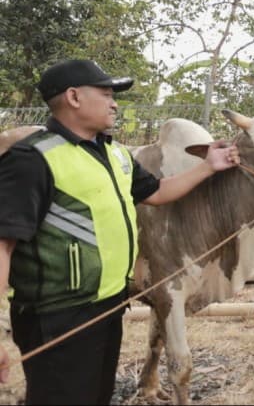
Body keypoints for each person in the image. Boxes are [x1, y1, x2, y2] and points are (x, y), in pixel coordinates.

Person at [0, 59, 240, 405]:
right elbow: (4, 244)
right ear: (73, 97)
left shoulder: (114, 154)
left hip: (110, 307)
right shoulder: (32, 159)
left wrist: (208, 166)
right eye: (106, 94)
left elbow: (156, 192)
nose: (114, 103)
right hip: (57, 317)